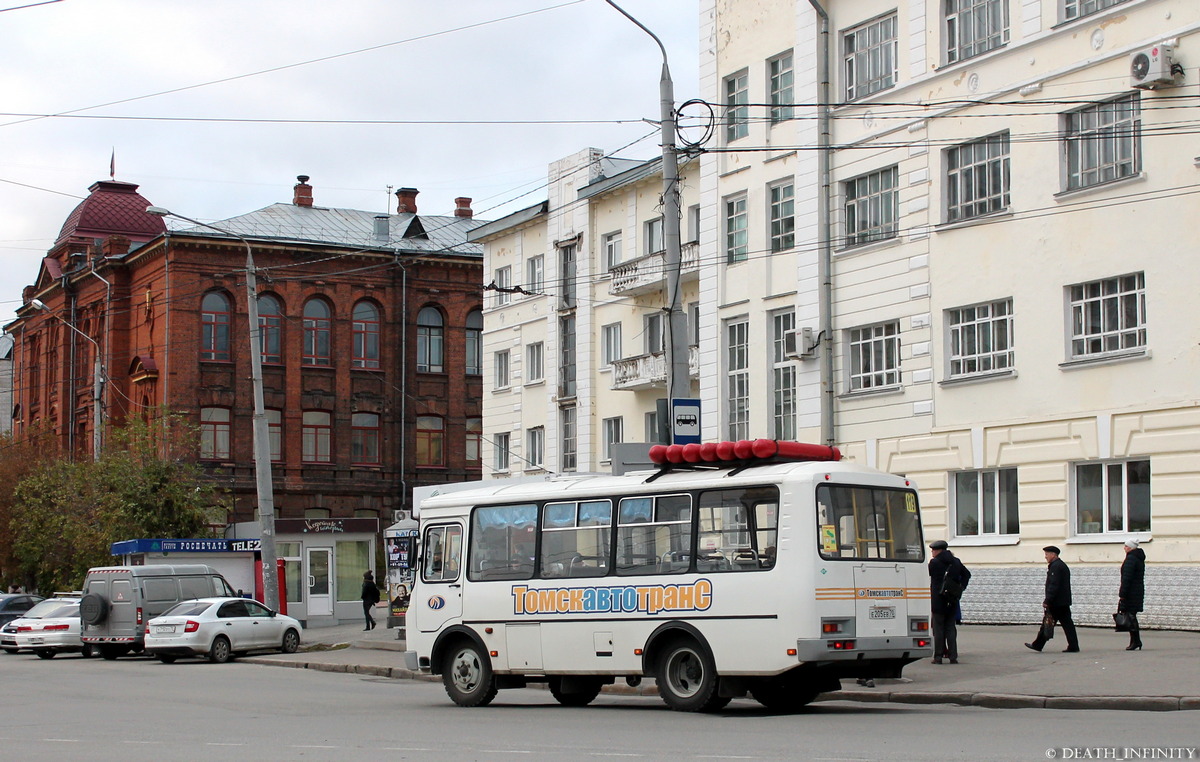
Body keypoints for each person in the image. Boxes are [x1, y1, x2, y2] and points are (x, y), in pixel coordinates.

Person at [1025, 545, 1080, 653]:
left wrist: (1048, 600)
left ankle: (1038, 644)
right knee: (1067, 624)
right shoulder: (1060, 565)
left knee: (1047, 623)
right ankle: (1073, 646)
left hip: (1057, 602)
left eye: (1046, 554)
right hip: (1063, 601)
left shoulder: (1056, 567)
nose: (1045, 557)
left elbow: (1054, 585)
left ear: (1053, 554)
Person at [928, 539, 970, 664]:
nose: (932, 553)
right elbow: (967, 574)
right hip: (952, 599)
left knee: (938, 628)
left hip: (938, 600)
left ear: (939, 550)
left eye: (933, 550)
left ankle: (938, 657)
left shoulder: (934, 563)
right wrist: (960, 588)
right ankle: (953, 656)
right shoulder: (955, 561)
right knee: (951, 628)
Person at [1119, 538, 1145, 650]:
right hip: (1137, 591)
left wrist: (1122, 594)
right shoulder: (1138, 558)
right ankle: (1135, 641)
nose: (1124, 548)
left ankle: (1136, 641)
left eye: (1125, 546)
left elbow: (1127, 578)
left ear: (1129, 548)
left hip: (1131, 592)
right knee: (1132, 616)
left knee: (1131, 616)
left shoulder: (1131, 559)